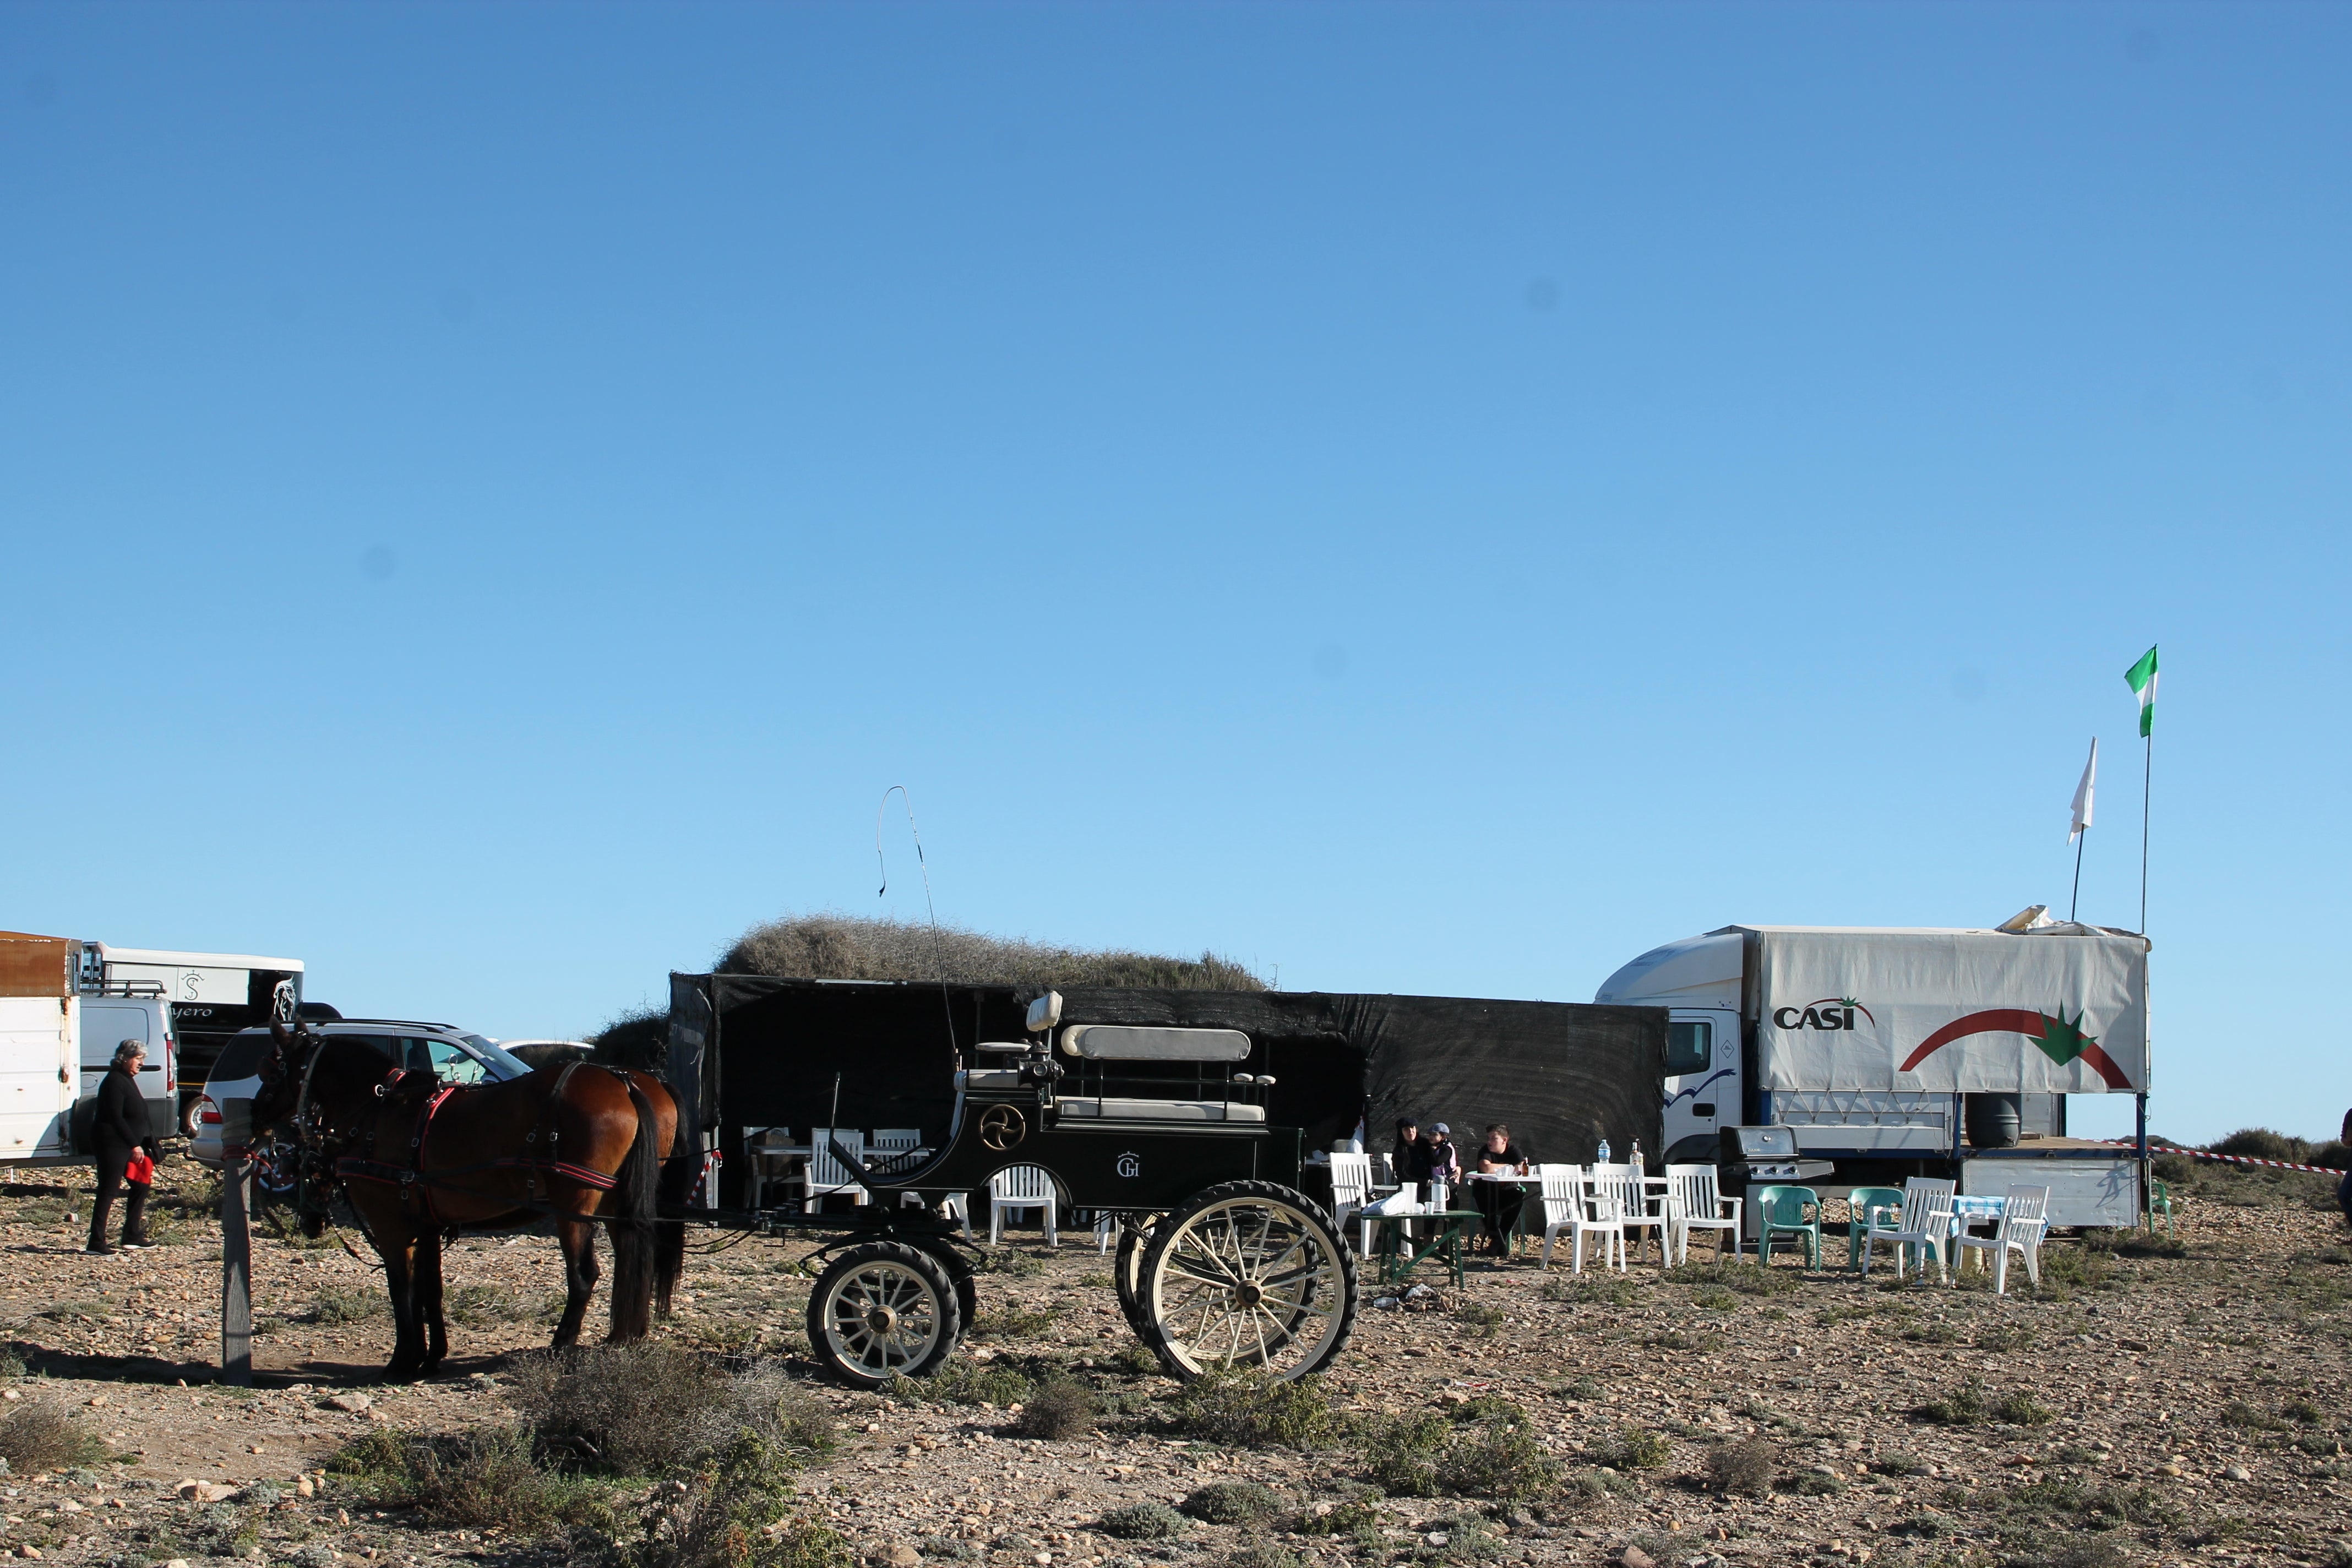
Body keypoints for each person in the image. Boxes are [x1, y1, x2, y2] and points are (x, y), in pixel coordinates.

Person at [88, 1038, 157, 1254]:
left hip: (130, 1146)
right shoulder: (114, 1081)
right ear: (124, 1058)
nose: (141, 1063)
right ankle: (96, 1243)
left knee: (141, 1185)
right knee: (108, 1190)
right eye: (138, 1058)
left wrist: (146, 1142)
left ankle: (131, 1235)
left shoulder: (127, 1079)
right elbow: (115, 1117)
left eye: (143, 1059)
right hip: (113, 1145)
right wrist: (134, 1144)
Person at [1469, 1123, 1532, 1256]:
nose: (1489, 1142)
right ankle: (1497, 1240)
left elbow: (1521, 1167)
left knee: (1518, 1197)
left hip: (1507, 1192)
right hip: (1487, 1191)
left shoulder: (1514, 1150)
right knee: (1481, 1195)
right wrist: (1509, 1166)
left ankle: (1497, 1241)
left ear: (1504, 1140)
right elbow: (1486, 1168)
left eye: (1493, 1138)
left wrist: (1500, 1167)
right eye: (1488, 1138)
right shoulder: (1485, 1151)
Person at [1422, 1122, 1462, 1201]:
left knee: (1449, 1204)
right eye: (1430, 1135)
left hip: (1449, 1181)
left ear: (1443, 1137)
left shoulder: (1447, 1149)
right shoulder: (1435, 1147)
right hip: (1437, 1181)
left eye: (1434, 1135)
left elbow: (1437, 1162)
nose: (1431, 1137)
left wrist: (1430, 1150)